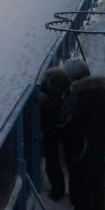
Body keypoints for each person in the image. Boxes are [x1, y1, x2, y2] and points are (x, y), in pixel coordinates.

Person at [60, 58, 105, 210]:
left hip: (81, 154)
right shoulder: (103, 92)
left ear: (72, 78)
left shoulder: (78, 97)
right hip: (98, 153)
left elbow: (65, 123)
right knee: (96, 189)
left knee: (82, 193)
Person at [39, 66, 71, 201]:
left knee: (52, 160)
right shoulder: (65, 89)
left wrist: (45, 103)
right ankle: (60, 190)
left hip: (53, 131)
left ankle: (57, 191)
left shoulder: (56, 95)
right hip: (60, 131)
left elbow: (54, 116)